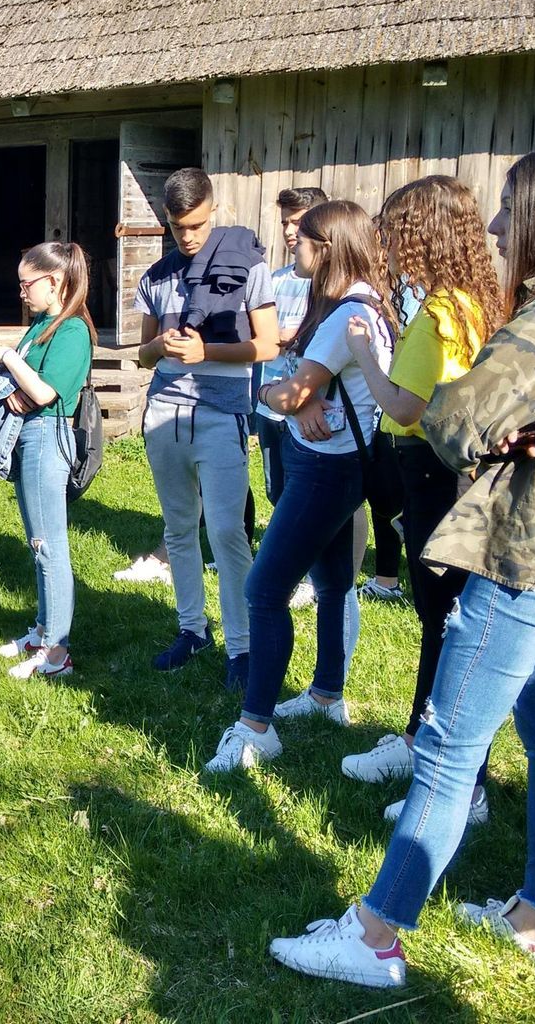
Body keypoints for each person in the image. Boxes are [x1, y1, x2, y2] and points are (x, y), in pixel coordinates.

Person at [267, 147, 535, 988]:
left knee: (448, 749)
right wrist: (518, 421)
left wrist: (493, 419)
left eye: (514, 207)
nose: (497, 225)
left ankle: (375, 936)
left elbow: (447, 422)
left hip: (522, 556)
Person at [335, 177, 506, 826]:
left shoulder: (443, 312)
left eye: (399, 231)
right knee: (440, 623)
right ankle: (419, 742)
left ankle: (461, 784)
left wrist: (364, 355)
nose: (390, 244)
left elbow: (408, 404)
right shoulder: (464, 303)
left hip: (435, 476)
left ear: (427, 235)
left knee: (446, 624)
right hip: (433, 475)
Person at [205, 200, 395, 771]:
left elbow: (288, 395)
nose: (294, 244)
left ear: (329, 247)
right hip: (339, 463)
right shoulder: (356, 305)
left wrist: (273, 398)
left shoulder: (343, 316)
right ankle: (326, 695)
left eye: (304, 239)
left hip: (324, 469)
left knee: (264, 591)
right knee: (335, 583)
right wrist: (303, 397)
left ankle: (255, 727)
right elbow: (311, 387)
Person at [135, 169, 279, 687]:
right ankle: (192, 629)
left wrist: (206, 351)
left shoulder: (248, 267)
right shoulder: (154, 276)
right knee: (178, 529)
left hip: (222, 414)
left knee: (226, 530)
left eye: (196, 224)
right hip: (165, 413)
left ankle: (240, 648)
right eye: (178, 228)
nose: (188, 236)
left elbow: (269, 345)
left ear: (213, 210)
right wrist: (161, 347)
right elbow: (141, 354)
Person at [0, 241, 95, 679]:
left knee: (50, 548)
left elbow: (47, 393)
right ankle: (43, 630)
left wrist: (8, 357)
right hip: (30, 438)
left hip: (48, 441)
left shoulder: (72, 330)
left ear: (55, 282)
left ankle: (56, 653)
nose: (22, 292)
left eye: (26, 284)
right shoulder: (44, 324)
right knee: (38, 544)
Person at [255, 186, 328, 610]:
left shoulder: (330, 285)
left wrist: (283, 338)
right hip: (271, 405)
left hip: (311, 406)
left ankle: (320, 577)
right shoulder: (275, 279)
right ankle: (295, 567)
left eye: (298, 221)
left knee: (315, 495)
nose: (289, 230)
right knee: (277, 489)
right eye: (284, 220)